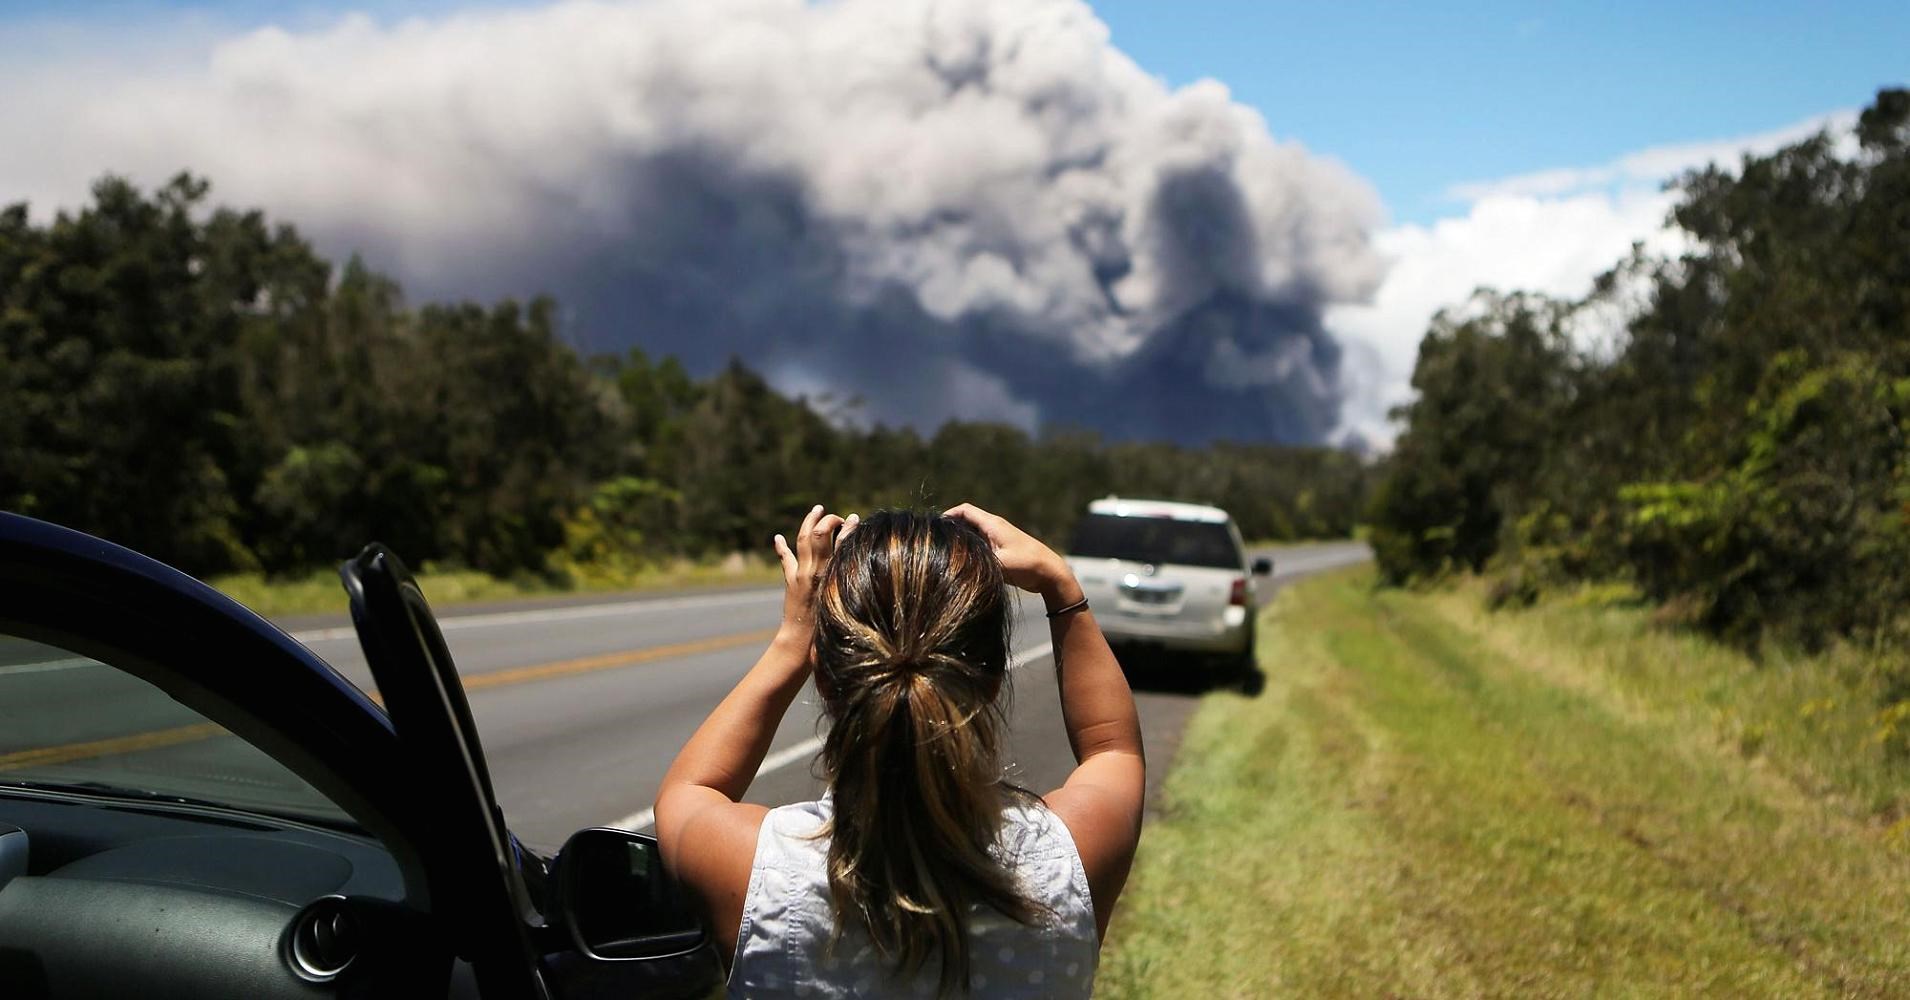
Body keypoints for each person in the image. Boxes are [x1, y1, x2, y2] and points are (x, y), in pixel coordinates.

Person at [654, 503, 1145, 998]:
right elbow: (1113, 751)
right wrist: (1061, 586)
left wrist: (794, 637)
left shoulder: (751, 873)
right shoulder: (1070, 860)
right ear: (994, 680)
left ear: (823, 675)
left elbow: (688, 791)